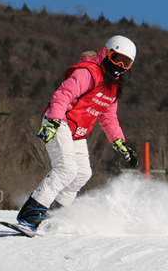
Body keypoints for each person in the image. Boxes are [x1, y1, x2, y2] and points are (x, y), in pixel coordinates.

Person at [16, 35, 140, 230]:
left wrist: (120, 143)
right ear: (106, 53)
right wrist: (52, 122)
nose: (120, 66)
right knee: (66, 169)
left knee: (82, 174)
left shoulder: (112, 88)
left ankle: (52, 216)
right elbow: (63, 94)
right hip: (59, 121)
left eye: (126, 63)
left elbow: (108, 118)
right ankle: (30, 214)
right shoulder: (88, 73)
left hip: (77, 131)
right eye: (117, 59)